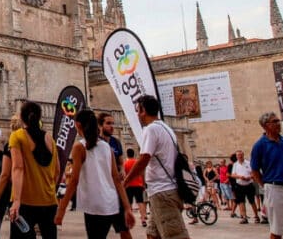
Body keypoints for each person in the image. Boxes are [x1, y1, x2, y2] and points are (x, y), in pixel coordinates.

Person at [55, 109, 135, 239]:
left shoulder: (79, 147)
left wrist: (61, 210)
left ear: (78, 125)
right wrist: (127, 208)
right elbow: (116, 179)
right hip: (111, 202)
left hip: (94, 204)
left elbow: (74, 181)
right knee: (123, 232)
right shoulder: (105, 146)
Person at [123, 95, 189, 239]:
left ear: (144, 111)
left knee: (175, 235)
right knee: (152, 234)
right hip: (165, 190)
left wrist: (126, 181)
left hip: (162, 192)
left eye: (138, 110)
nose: (137, 114)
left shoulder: (151, 129)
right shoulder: (166, 127)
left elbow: (144, 158)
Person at [8, 101, 59, 239]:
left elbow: (18, 168)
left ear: (21, 117)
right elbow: (57, 170)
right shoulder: (50, 138)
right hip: (49, 201)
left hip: (26, 202)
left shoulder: (17, 136)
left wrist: (16, 201)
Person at [231, 149, 260, 223]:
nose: (239, 156)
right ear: (236, 156)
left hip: (248, 184)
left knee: (252, 201)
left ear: (243, 155)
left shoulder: (248, 163)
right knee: (241, 202)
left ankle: (256, 216)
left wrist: (249, 177)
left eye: (241, 155)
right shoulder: (235, 164)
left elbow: (253, 173)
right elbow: (233, 175)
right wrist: (240, 177)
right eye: (238, 155)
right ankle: (244, 217)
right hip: (239, 185)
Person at [122, 148, 147, 228]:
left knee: (129, 203)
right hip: (138, 185)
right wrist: (143, 183)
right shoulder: (137, 162)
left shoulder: (125, 163)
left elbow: (124, 175)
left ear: (127, 154)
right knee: (140, 202)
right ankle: (143, 219)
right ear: (133, 154)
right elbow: (142, 173)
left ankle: (129, 221)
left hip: (129, 185)